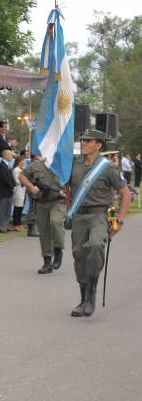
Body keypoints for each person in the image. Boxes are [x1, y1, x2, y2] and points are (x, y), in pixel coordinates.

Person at [68, 129, 130, 317]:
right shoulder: (74, 164)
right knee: (79, 255)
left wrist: (119, 220)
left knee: (95, 246)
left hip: (98, 216)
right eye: (83, 140)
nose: (84, 143)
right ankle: (82, 297)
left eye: (88, 141)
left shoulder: (108, 167)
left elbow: (125, 193)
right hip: (79, 216)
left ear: (98, 145)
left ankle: (92, 290)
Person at [19, 156, 66, 274]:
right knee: (44, 232)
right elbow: (21, 176)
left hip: (58, 201)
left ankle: (58, 250)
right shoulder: (37, 165)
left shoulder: (65, 164)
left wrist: (66, 191)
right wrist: (31, 186)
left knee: (56, 222)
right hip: (41, 202)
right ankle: (47, 262)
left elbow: (74, 180)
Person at [0, 149, 16, 233]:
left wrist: (14, 186)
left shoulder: (7, 165)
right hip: (4, 192)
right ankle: (2, 227)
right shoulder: (1, 166)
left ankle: (6, 225)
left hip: (9, 191)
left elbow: (11, 178)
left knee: (8, 210)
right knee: (3, 210)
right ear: (6, 156)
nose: (11, 156)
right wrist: (12, 187)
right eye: (10, 155)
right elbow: (4, 180)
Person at [11, 157, 26, 231]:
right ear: (19, 162)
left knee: (21, 208)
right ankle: (15, 225)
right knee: (17, 208)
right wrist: (25, 182)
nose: (23, 163)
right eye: (22, 161)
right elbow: (17, 180)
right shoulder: (15, 170)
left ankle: (19, 224)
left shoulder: (22, 170)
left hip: (23, 189)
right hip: (18, 189)